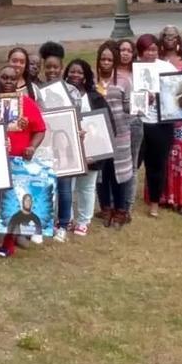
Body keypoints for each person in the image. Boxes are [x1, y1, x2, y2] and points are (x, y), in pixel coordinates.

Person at [0, 65, 46, 258]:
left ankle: (9, 243)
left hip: (17, 160)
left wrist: (32, 146)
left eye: (12, 78)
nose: (8, 82)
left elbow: (40, 129)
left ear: (18, 81)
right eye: (4, 78)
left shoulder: (27, 103)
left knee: (13, 201)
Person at [38, 41, 80, 242]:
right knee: (44, 184)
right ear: (43, 68)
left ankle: (63, 224)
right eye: (48, 67)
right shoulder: (38, 90)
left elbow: (78, 117)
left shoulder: (71, 91)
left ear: (62, 68)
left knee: (64, 186)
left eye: (56, 67)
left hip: (65, 141)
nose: (52, 70)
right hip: (44, 143)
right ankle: (43, 222)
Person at [64, 59, 109, 237]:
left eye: (80, 72)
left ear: (86, 76)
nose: (75, 75)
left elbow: (105, 124)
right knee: (67, 186)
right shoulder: (60, 95)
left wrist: (97, 153)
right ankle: (66, 218)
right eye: (72, 71)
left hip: (91, 149)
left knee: (87, 186)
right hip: (67, 149)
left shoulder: (95, 97)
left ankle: (83, 221)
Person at [136, 34, 178, 217]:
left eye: (154, 49)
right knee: (132, 164)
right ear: (140, 51)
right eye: (147, 49)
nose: (151, 53)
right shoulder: (133, 68)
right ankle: (122, 202)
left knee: (157, 165)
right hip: (138, 123)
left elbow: (177, 92)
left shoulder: (167, 67)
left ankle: (154, 203)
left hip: (160, 125)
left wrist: (158, 97)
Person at [153, 26, 182, 215]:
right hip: (160, 113)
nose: (169, 39)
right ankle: (162, 195)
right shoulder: (156, 61)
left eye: (173, 36)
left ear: (178, 39)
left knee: (179, 154)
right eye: (165, 36)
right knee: (162, 153)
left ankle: (180, 198)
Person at [95, 41, 132, 229]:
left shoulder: (124, 81)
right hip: (99, 136)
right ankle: (106, 208)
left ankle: (121, 210)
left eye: (109, 59)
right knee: (103, 174)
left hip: (120, 135)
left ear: (114, 60)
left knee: (120, 175)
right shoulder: (92, 81)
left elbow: (129, 107)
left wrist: (139, 104)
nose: (106, 62)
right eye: (103, 59)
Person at [116, 39, 142, 222]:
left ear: (133, 53)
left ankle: (128, 206)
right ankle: (113, 204)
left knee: (131, 166)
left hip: (133, 122)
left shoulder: (140, 73)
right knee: (112, 166)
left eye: (128, 50)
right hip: (114, 125)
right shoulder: (110, 72)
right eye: (121, 50)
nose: (125, 53)